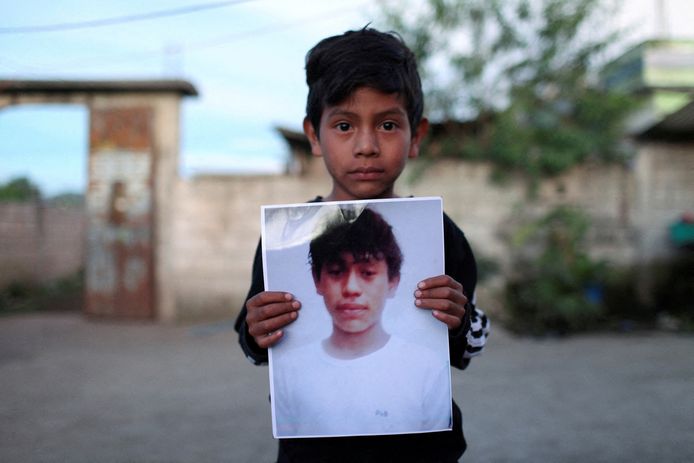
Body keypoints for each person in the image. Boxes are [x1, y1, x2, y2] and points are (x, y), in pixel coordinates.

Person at [235, 26, 490, 462]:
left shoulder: (439, 233)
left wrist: (460, 318)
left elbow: (467, 345)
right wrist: (258, 332)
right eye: (344, 125)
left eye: (388, 124)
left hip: (422, 450)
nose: (367, 146)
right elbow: (251, 336)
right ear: (314, 136)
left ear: (417, 136)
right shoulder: (288, 237)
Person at [272, 206, 451, 437]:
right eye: (336, 271)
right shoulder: (289, 370)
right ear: (317, 280)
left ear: (392, 282)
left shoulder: (428, 368)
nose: (351, 289)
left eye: (367, 273)